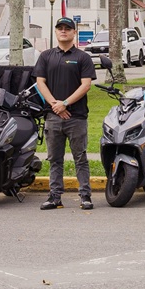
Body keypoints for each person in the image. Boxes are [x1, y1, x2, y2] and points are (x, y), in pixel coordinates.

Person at [33, 17, 96, 210]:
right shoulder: (46, 56)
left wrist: (66, 103)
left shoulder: (83, 57)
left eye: (67, 28)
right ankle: (55, 197)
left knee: (80, 157)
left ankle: (85, 196)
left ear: (74, 32)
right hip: (53, 117)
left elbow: (86, 85)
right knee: (54, 159)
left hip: (76, 117)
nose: (63, 31)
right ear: (55, 31)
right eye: (60, 28)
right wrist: (54, 104)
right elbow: (40, 82)